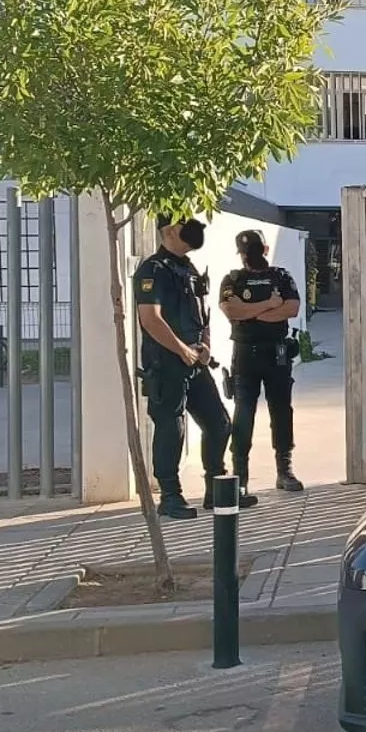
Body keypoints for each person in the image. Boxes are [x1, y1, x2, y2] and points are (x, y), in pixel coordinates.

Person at [134, 215, 238, 519]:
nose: (195, 232)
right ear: (168, 231)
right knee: (171, 427)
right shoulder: (152, 270)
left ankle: (216, 490)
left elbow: (203, 312)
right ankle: (170, 496)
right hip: (165, 362)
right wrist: (181, 350)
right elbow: (150, 319)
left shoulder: (189, 268)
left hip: (194, 360)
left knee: (219, 423)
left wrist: (204, 347)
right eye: (186, 226)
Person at [218, 229, 306, 497]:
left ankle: (285, 470)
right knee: (243, 414)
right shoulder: (233, 279)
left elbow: (291, 308)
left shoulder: (281, 276)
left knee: (281, 411)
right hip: (245, 355)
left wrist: (250, 314)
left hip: (276, 353)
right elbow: (230, 310)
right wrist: (268, 305)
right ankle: (240, 475)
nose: (249, 256)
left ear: (264, 250)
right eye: (246, 252)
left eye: (253, 250)